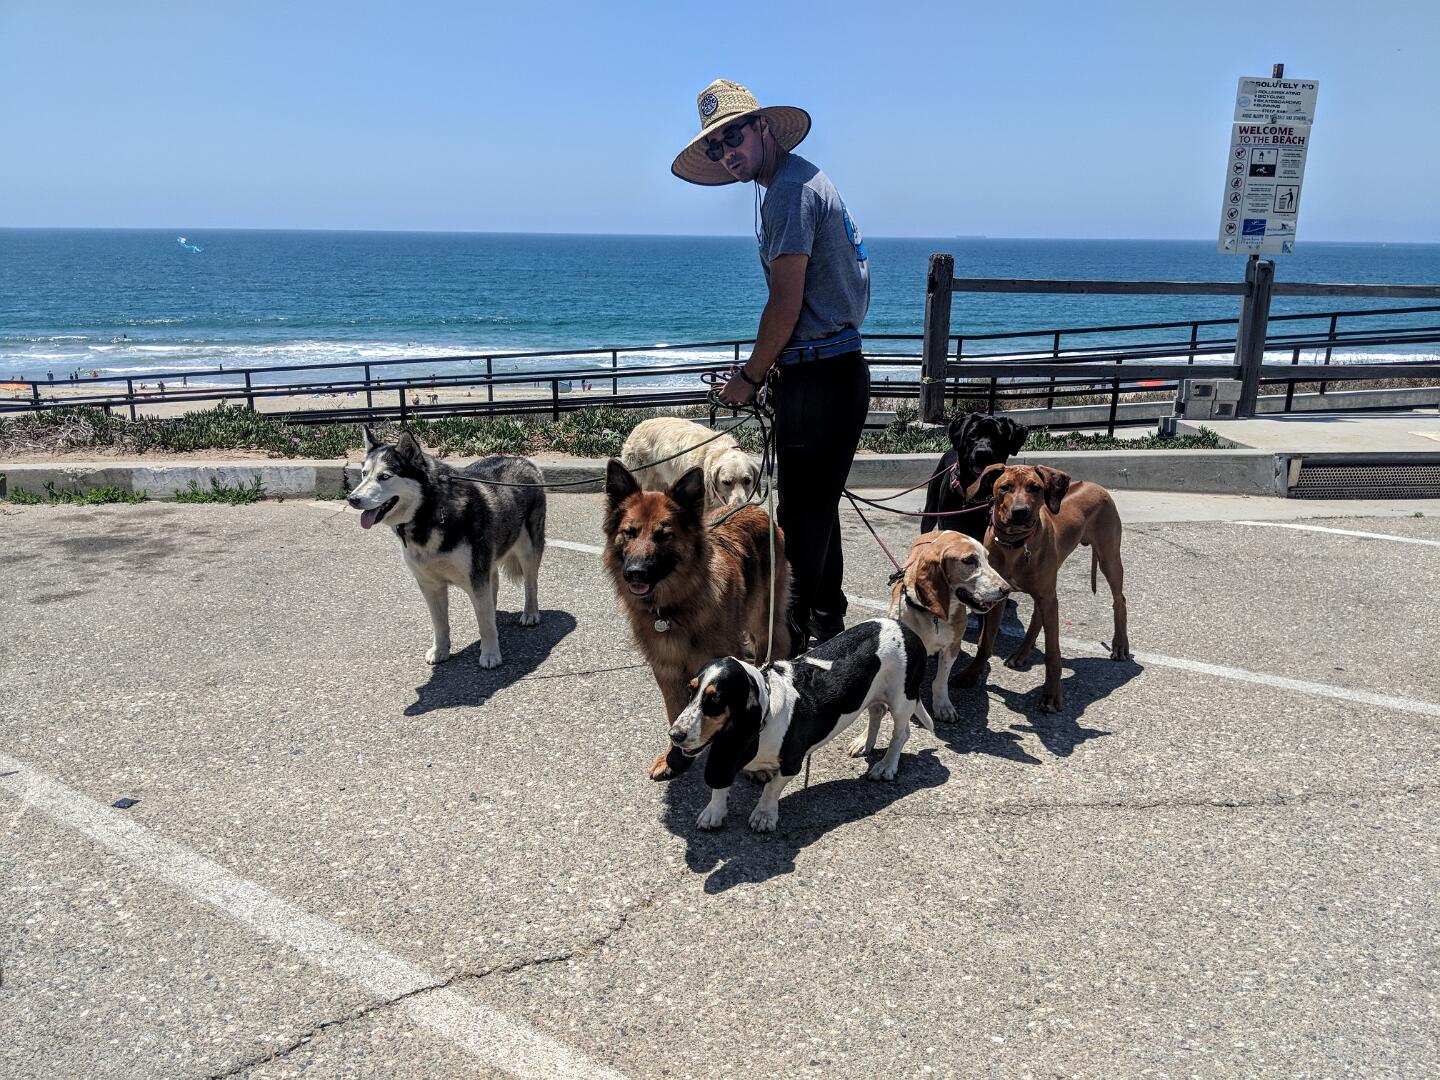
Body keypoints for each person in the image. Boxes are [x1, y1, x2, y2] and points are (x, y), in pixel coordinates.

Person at [674, 79, 870, 653]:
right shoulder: (795, 182)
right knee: (817, 508)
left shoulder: (787, 192)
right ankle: (826, 622)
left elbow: (785, 304)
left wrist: (750, 377)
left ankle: (792, 645)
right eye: (716, 148)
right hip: (829, 366)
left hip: (819, 374)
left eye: (733, 137)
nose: (727, 154)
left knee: (801, 520)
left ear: (762, 128)